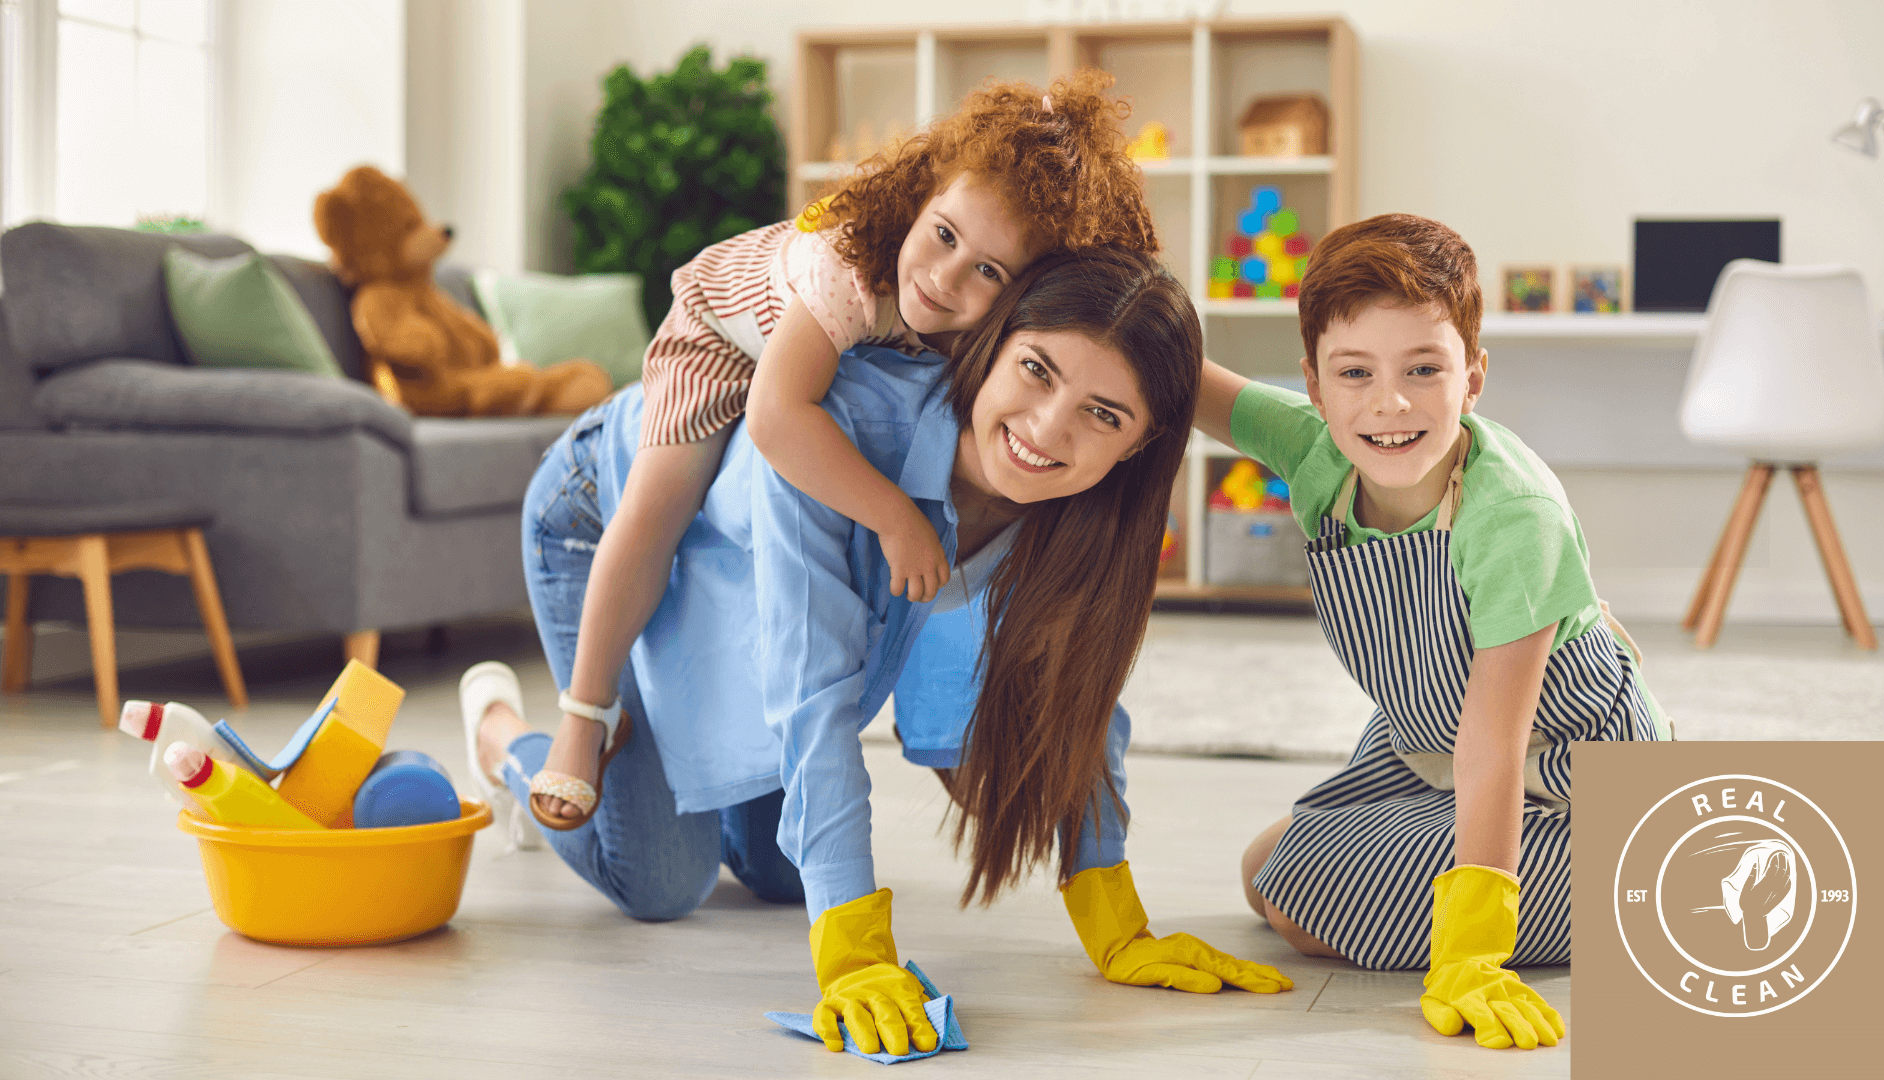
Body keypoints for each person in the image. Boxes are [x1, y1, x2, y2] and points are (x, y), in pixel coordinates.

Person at [461, 249, 1290, 1058]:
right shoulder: (840, 432)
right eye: (1037, 371)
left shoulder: (1087, 516)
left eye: (1104, 414)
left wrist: (1114, 916)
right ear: (992, 344)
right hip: (609, 514)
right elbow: (813, 685)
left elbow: (1082, 700)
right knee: (657, 882)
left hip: (737, 571)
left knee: (788, 878)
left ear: (1138, 445)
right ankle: (502, 734)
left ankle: (696, 781)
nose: (1046, 430)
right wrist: (854, 953)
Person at [524, 71, 1159, 831]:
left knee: (773, 866)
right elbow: (777, 417)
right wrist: (894, 517)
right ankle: (584, 713)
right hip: (723, 340)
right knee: (659, 506)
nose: (945, 277)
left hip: (820, 358)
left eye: (989, 271)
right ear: (923, 196)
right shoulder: (851, 268)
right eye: (945, 235)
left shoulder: (991, 333)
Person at [1200, 214, 1673, 1051]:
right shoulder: (1316, 452)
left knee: (1295, 903)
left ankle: (1639, 888)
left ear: (1474, 376)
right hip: (1428, 743)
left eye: (1425, 368)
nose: (1391, 403)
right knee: (1262, 870)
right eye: (1356, 373)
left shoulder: (1512, 518)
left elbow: (1496, 742)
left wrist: (1473, 949)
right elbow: (1171, 376)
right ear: (1313, 384)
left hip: (1566, 775)